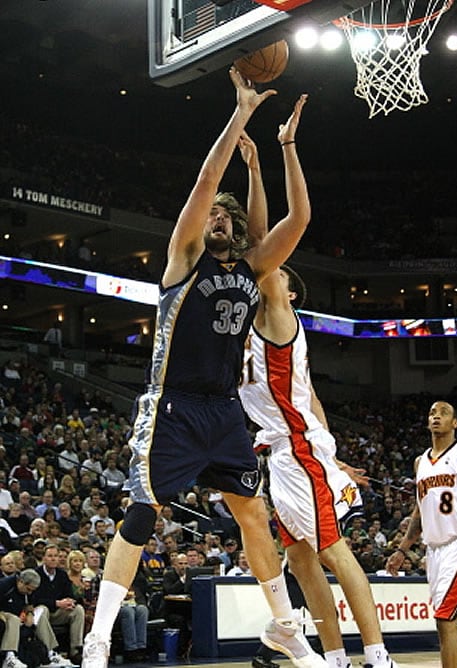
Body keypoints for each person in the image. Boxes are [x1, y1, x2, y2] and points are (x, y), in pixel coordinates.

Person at [82, 68, 319, 668]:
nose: (215, 217)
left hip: (222, 411)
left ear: (237, 229)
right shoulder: (185, 259)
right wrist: (240, 114)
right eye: (210, 214)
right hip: (172, 405)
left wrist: (283, 152)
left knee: (253, 515)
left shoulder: (252, 270)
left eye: (225, 216)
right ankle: (100, 634)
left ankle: (286, 626)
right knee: (142, 511)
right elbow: (205, 179)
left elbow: (297, 223)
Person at [237, 132, 398, 668]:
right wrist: (254, 172)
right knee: (301, 560)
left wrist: (284, 151)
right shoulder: (251, 317)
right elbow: (312, 398)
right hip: (285, 452)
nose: (269, 269)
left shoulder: (276, 315)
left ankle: (377, 656)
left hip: (297, 449)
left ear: (289, 293)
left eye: (278, 272)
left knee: (332, 551)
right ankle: (332, 656)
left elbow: (280, 229)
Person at [386, 400, 457, 668]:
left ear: (455, 423)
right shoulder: (420, 462)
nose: (436, 416)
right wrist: (401, 549)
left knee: (445, 618)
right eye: (432, 412)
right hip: (434, 552)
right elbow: (419, 511)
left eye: (443, 413)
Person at [0, 568, 71, 667]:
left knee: (42, 611)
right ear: (21, 582)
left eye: (32, 590)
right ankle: (10, 657)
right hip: (5, 615)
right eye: (28, 589)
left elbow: (30, 603)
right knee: (14, 619)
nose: (30, 593)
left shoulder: (29, 591)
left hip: (21, 614)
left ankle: (50, 654)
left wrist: (30, 613)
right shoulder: (4, 585)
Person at [32, 543, 85, 665]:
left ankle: (75, 650)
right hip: (42, 613)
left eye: (56, 556)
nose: (53, 559)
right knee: (43, 609)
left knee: (78, 609)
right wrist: (56, 603)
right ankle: (50, 650)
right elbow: (33, 598)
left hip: (58, 613)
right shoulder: (36, 574)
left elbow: (69, 594)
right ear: (44, 558)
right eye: (50, 556)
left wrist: (69, 602)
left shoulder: (62, 574)